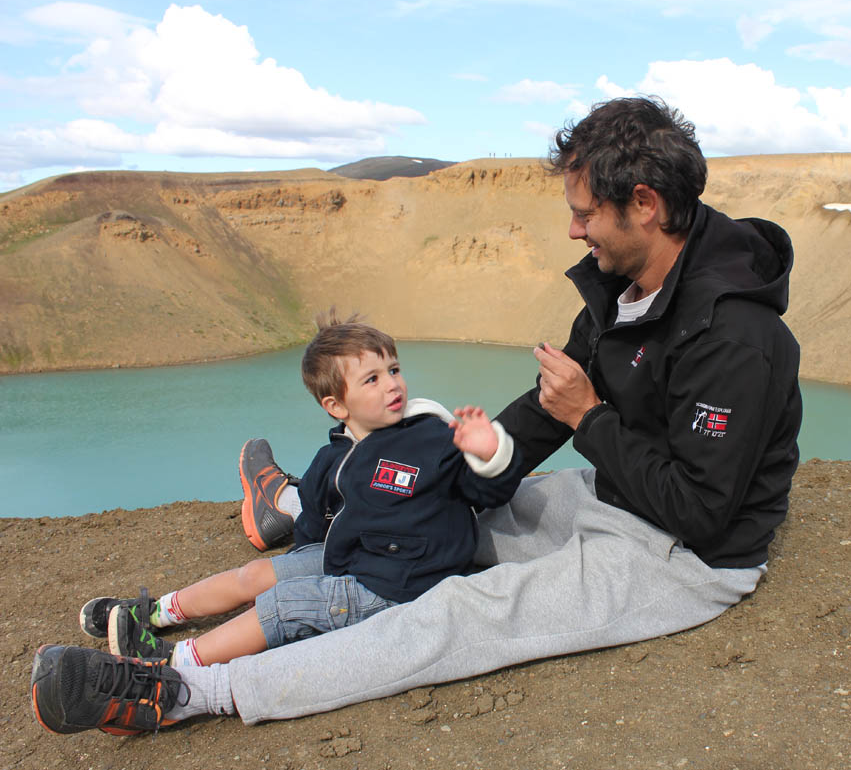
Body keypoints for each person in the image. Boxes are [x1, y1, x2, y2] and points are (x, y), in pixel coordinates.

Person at [29, 96, 803, 735]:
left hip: (682, 557)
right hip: (614, 497)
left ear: (645, 204)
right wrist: (472, 455)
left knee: (458, 612)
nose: (573, 229)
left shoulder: (737, 336)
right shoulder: (627, 283)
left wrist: (592, 418)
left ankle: (188, 692)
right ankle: (299, 508)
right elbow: (543, 413)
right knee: (431, 517)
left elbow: (702, 511)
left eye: (583, 212)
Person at [32, 312, 523, 733]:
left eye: (393, 369)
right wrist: (303, 553)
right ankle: (156, 614)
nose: (393, 383)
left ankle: (179, 661)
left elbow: (487, 493)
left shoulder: (432, 438)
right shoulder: (332, 457)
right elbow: (313, 517)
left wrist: (488, 453)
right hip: (347, 560)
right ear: (336, 404)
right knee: (261, 574)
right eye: (372, 378)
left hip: (398, 584)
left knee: (287, 604)